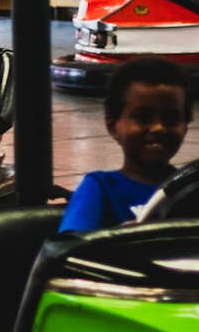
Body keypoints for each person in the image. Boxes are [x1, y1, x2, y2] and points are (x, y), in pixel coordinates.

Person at [59, 56, 191, 233]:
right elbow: (69, 246)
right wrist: (120, 239)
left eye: (171, 119)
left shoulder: (189, 188)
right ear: (113, 127)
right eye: (143, 118)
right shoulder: (100, 187)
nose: (159, 128)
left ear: (185, 127)